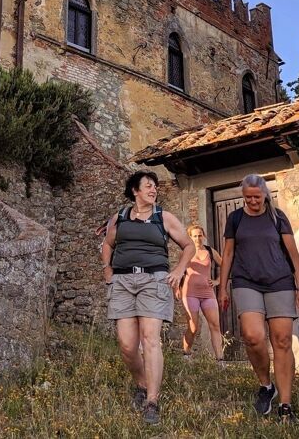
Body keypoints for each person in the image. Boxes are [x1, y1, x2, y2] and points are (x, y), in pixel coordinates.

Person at [101, 170, 195, 425]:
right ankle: (141, 384)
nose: (153, 190)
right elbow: (108, 244)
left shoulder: (162, 217)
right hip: (122, 282)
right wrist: (108, 270)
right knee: (127, 345)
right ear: (135, 191)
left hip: (154, 281)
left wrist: (178, 270)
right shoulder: (119, 217)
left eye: (155, 187)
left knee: (150, 339)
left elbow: (189, 246)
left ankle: (152, 400)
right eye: (148, 186)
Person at [217, 174, 299, 424]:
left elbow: (293, 255)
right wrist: (223, 287)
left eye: (257, 197)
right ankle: (266, 385)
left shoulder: (278, 217)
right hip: (246, 281)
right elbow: (228, 253)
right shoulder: (235, 218)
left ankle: (286, 406)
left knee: (281, 341)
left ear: (265, 195)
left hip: (279, 282)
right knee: (253, 336)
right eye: (248, 197)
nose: (253, 201)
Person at [176, 224, 224, 363]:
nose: (198, 238)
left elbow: (225, 265)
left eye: (200, 235)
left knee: (215, 325)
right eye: (195, 236)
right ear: (190, 237)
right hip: (189, 292)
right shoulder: (185, 252)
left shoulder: (210, 251)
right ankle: (186, 354)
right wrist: (176, 289)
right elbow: (179, 271)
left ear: (204, 236)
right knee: (193, 327)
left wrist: (217, 281)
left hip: (208, 292)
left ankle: (220, 360)